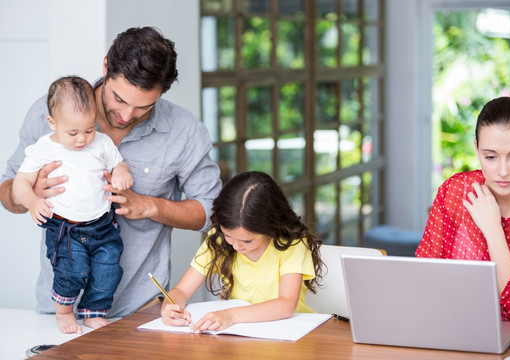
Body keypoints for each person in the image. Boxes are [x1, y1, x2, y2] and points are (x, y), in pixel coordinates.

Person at [0, 27, 222, 318]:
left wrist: (149, 205)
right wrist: (29, 194)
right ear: (106, 66)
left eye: (144, 106)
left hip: (142, 312)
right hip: (57, 312)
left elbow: (211, 212)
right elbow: (6, 192)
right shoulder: (51, 113)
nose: (127, 115)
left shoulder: (184, 131)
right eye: (119, 99)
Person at [13, 76, 132, 333]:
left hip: (102, 224)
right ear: (52, 123)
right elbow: (19, 182)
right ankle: (64, 311)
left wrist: (122, 172)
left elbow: (118, 163)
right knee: (71, 271)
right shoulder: (43, 148)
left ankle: (93, 310)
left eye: (89, 129)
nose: (82, 139)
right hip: (65, 226)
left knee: (108, 268)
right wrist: (33, 200)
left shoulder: (102, 143)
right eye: (73, 132)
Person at [416, 96, 510, 328]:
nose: (502, 171)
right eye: (490, 156)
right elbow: (424, 276)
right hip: (450, 334)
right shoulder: (455, 192)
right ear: (476, 148)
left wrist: (493, 230)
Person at [160, 171, 324, 332]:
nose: (237, 246)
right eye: (228, 236)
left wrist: (229, 316)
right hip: (239, 335)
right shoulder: (218, 240)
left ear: (270, 227)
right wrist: (170, 307)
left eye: (247, 241)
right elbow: (181, 291)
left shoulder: (292, 244)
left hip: (291, 332)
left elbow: (285, 305)